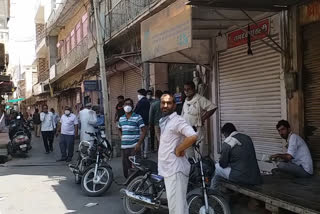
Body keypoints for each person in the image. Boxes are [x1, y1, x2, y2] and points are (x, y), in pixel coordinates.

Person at [158, 93, 197, 214]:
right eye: (163, 103)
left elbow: (192, 136)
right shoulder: (164, 121)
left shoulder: (178, 120)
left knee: (176, 209)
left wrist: (179, 149)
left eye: (169, 103)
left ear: (174, 105)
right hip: (169, 169)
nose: (165, 105)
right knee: (179, 206)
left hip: (175, 169)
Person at [210, 123, 262, 190]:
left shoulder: (227, 143)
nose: (225, 137)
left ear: (225, 133)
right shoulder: (247, 138)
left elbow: (223, 164)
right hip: (255, 176)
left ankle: (212, 192)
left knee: (216, 167)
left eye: (224, 135)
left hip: (240, 177)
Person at [182, 81, 217, 158]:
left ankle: (199, 167)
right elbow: (183, 115)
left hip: (197, 129)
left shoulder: (200, 99)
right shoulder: (185, 101)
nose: (186, 91)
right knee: (189, 153)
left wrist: (203, 118)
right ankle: (193, 168)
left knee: (198, 152)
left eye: (189, 89)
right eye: (185, 89)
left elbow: (213, 107)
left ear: (194, 89)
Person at [118, 98, 147, 178]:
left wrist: (139, 144)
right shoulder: (121, 118)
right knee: (126, 166)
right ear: (123, 106)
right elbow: (119, 129)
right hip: (124, 147)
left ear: (133, 106)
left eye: (129, 104)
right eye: (126, 104)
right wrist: (122, 138)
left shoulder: (138, 117)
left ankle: (138, 182)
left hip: (134, 147)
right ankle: (128, 182)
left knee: (136, 166)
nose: (127, 106)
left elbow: (144, 131)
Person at [134, 89, 150, 158]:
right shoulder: (147, 101)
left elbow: (136, 111)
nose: (137, 95)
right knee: (145, 137)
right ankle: (145, 153)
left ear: (140, 94)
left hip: (140, 122)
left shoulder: (140, 102)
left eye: (138, 94)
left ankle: (141, 153)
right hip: (146, 121)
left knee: (141, 137)